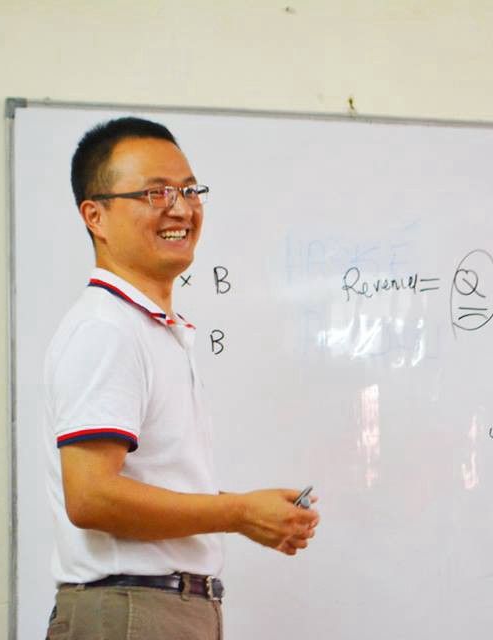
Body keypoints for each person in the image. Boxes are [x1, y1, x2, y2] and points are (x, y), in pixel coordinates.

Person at [42, 117, 319, 640]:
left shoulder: (145, 328)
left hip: (160, 609)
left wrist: (247, 514)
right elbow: (91, 497)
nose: (180, 207)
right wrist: (238, 513)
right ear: (95, 215)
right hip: (131, 612)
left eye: (190, 189)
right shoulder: (107, 329)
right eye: (155, 192)